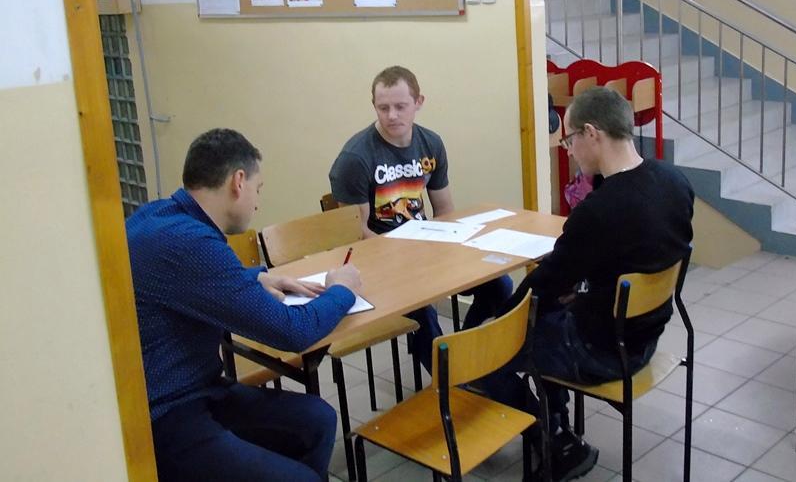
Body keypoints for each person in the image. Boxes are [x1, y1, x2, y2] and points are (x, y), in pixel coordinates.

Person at [482, 87, 694, 481]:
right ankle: (559, 424)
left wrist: (498, 324)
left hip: (603, 351)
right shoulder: (674, 181)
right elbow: (630, 255)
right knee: (547, 317)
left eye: (569, 139)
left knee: (488, 353)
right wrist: (580, 290)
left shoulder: (599, 210)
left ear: (591, 133)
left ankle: (557, 442)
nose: (568, 150)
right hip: (645, 336)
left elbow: (544, 283)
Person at [128, 128, 362, 482]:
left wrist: (253, 277)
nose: (257, 203)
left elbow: (188, 282)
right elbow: (291, 332)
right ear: (238, 181)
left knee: (317, 419)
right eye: (258, 188)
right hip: (166, 414)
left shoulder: (159, 216)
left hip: (198, 388)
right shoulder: (192, 243)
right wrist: (342, 290)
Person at [328, 65, 513, 373]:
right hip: (379, 259)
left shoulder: (431, 144)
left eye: (400, 106)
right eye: (383, 108)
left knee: (499, 283)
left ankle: (465, 350)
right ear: (374, 105)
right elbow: (358, 234)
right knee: (423, 309)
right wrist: (408, 256)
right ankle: (450, 378)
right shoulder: (355, 158)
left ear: (418, 102)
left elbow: (445, 210)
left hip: (424, 247)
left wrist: (446, 250)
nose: (392, 116)